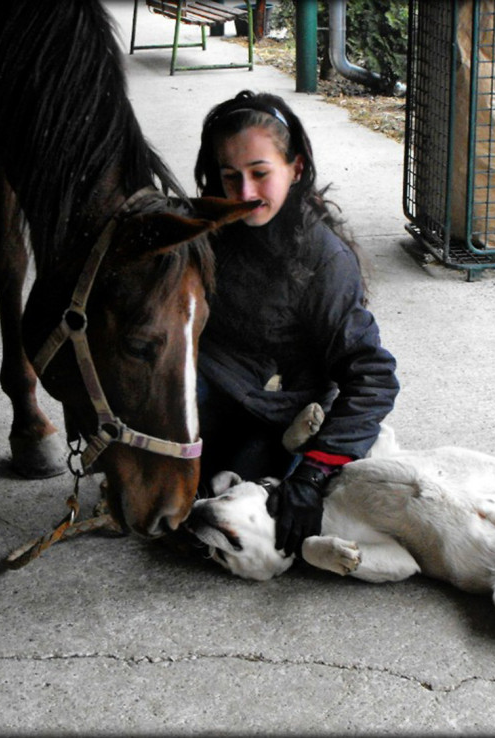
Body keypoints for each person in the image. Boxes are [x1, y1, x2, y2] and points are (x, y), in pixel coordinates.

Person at [193, 90, 399, 557]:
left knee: (253, 519)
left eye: (260, 174)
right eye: (230, 177)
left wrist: (314, 474)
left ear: (297, 169)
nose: (244, 193)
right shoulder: (207, 227)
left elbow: (374, 378)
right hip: (210, 389)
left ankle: (285, 459)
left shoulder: (323, 260)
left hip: (279, 411)